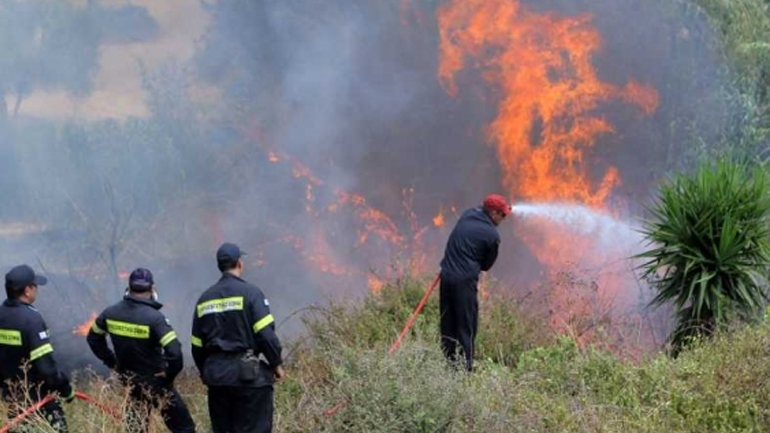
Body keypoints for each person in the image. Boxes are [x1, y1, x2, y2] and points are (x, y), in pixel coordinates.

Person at [87, 268, 196, 433]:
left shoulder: (110, 313)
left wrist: (113, 362)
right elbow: (174, 352)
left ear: (128, 288)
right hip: (157, 383)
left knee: (136, 429)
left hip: (130, 382)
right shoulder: (155, 319)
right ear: (152, 289)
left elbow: (93, 338)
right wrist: (169, 375)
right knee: (184, 428)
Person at [191, 242, 285, 433]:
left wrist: (205, 371)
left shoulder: (204, 299)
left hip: (217, 378)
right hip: (248, 378)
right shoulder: (252, 294)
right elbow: (266, 335)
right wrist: (276, 364)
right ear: (239, 263)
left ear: (219, 266)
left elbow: (197, 345)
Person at [439, 194, 511, 372]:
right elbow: (486, 265)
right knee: (466, 326)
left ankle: (449, 366)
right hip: (464, 284)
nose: (503, 218)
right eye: (502, 214)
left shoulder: (467, 214)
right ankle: (465, 371)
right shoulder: (492, 235)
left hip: (446, 277)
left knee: (447, 324)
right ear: (493, 213)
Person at [0, 264, 74, 432]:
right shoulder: (31, 319)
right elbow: (45, 365)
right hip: (39, 399)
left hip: (13, 397)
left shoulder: (1, 314)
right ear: (27, 290)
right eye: (35, 286)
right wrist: (65, 388)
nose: (37, 290)